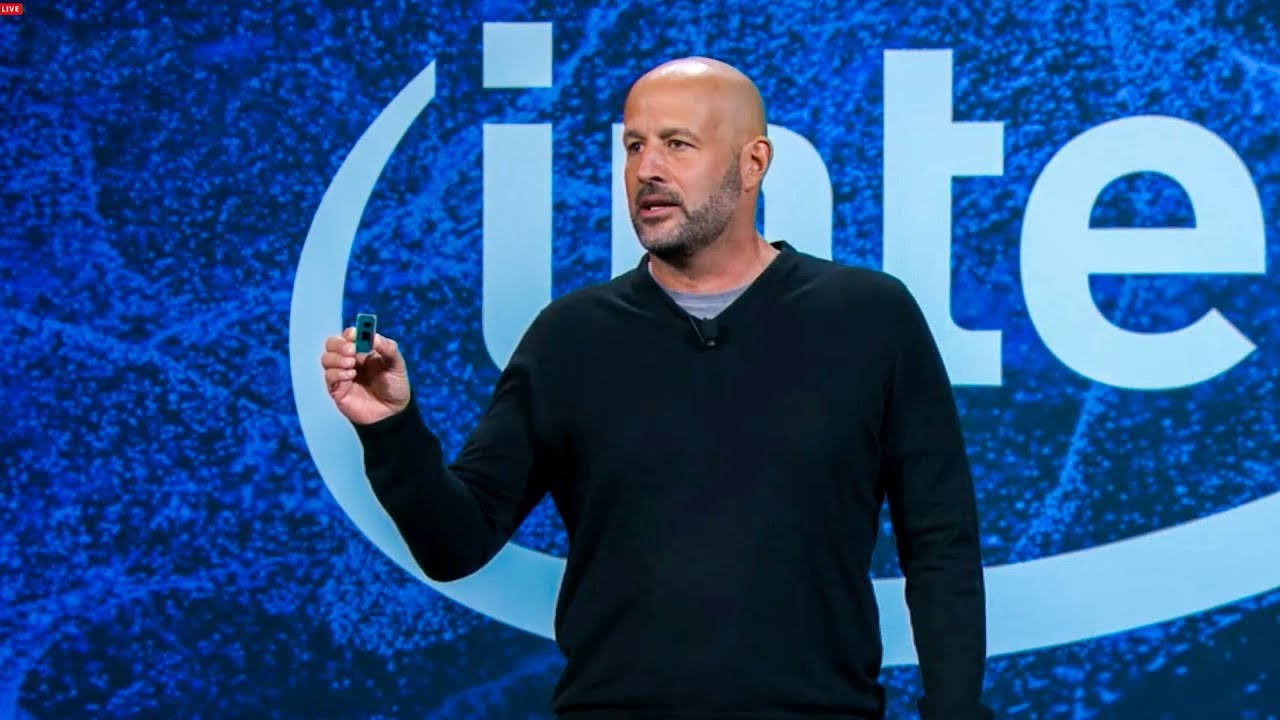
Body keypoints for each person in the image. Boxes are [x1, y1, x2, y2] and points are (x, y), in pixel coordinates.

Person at [320, 57, 994, 720]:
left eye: (677, 144)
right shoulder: (570, 338)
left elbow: (941, 544)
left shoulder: (870, 319)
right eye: (634, 146)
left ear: (753, 163)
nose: (647, 169)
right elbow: (454, 545)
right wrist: (390, 429)